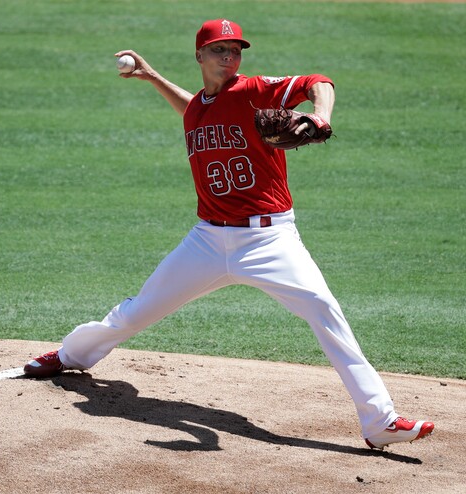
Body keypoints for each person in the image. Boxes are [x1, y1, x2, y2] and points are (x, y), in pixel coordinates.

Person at [24, 18, 434, 450]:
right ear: (199, 56)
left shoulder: (253, 91)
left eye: (235, 50)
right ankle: (71, 355)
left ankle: (379, 420)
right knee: (137, 311)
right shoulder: (201, 107)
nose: (229, 57)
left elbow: (319, 80)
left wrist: (320, 114)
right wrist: (151, 77)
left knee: (323, 309)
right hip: (206, 241)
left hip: (270, 241)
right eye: (220, 50)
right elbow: (196, 109)